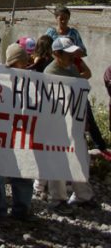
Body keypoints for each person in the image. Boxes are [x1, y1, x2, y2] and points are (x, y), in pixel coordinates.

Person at [42, 37, 95, 211]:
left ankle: (83, 195)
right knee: (57, 159)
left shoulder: (71, 67)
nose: (73, 57)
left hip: (74, 123)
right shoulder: (50, 72)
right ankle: (58, 198)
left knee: (80, 158)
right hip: (56, 125)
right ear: (57, 54)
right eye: (69, 54)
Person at [0, 44, 34, 221]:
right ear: (17, 61)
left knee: (23, 171)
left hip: (21, 133)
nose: (27, 64)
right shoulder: (0, 79)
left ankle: (21, 209)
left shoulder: (30, 80)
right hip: (2, 132)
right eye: (24, 61)